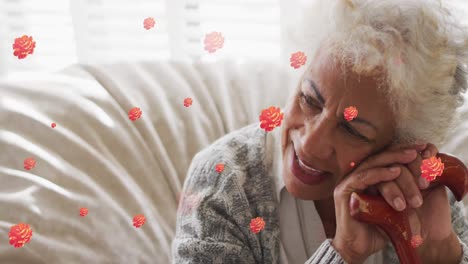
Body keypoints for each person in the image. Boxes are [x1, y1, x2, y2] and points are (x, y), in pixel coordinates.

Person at [172, 0, 468, 263]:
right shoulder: (222, 183)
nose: (311, 144)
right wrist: (343, 253)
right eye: (310, 100)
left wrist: (441, 254)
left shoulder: (424, 195)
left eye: (351, 130)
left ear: (402, 147)